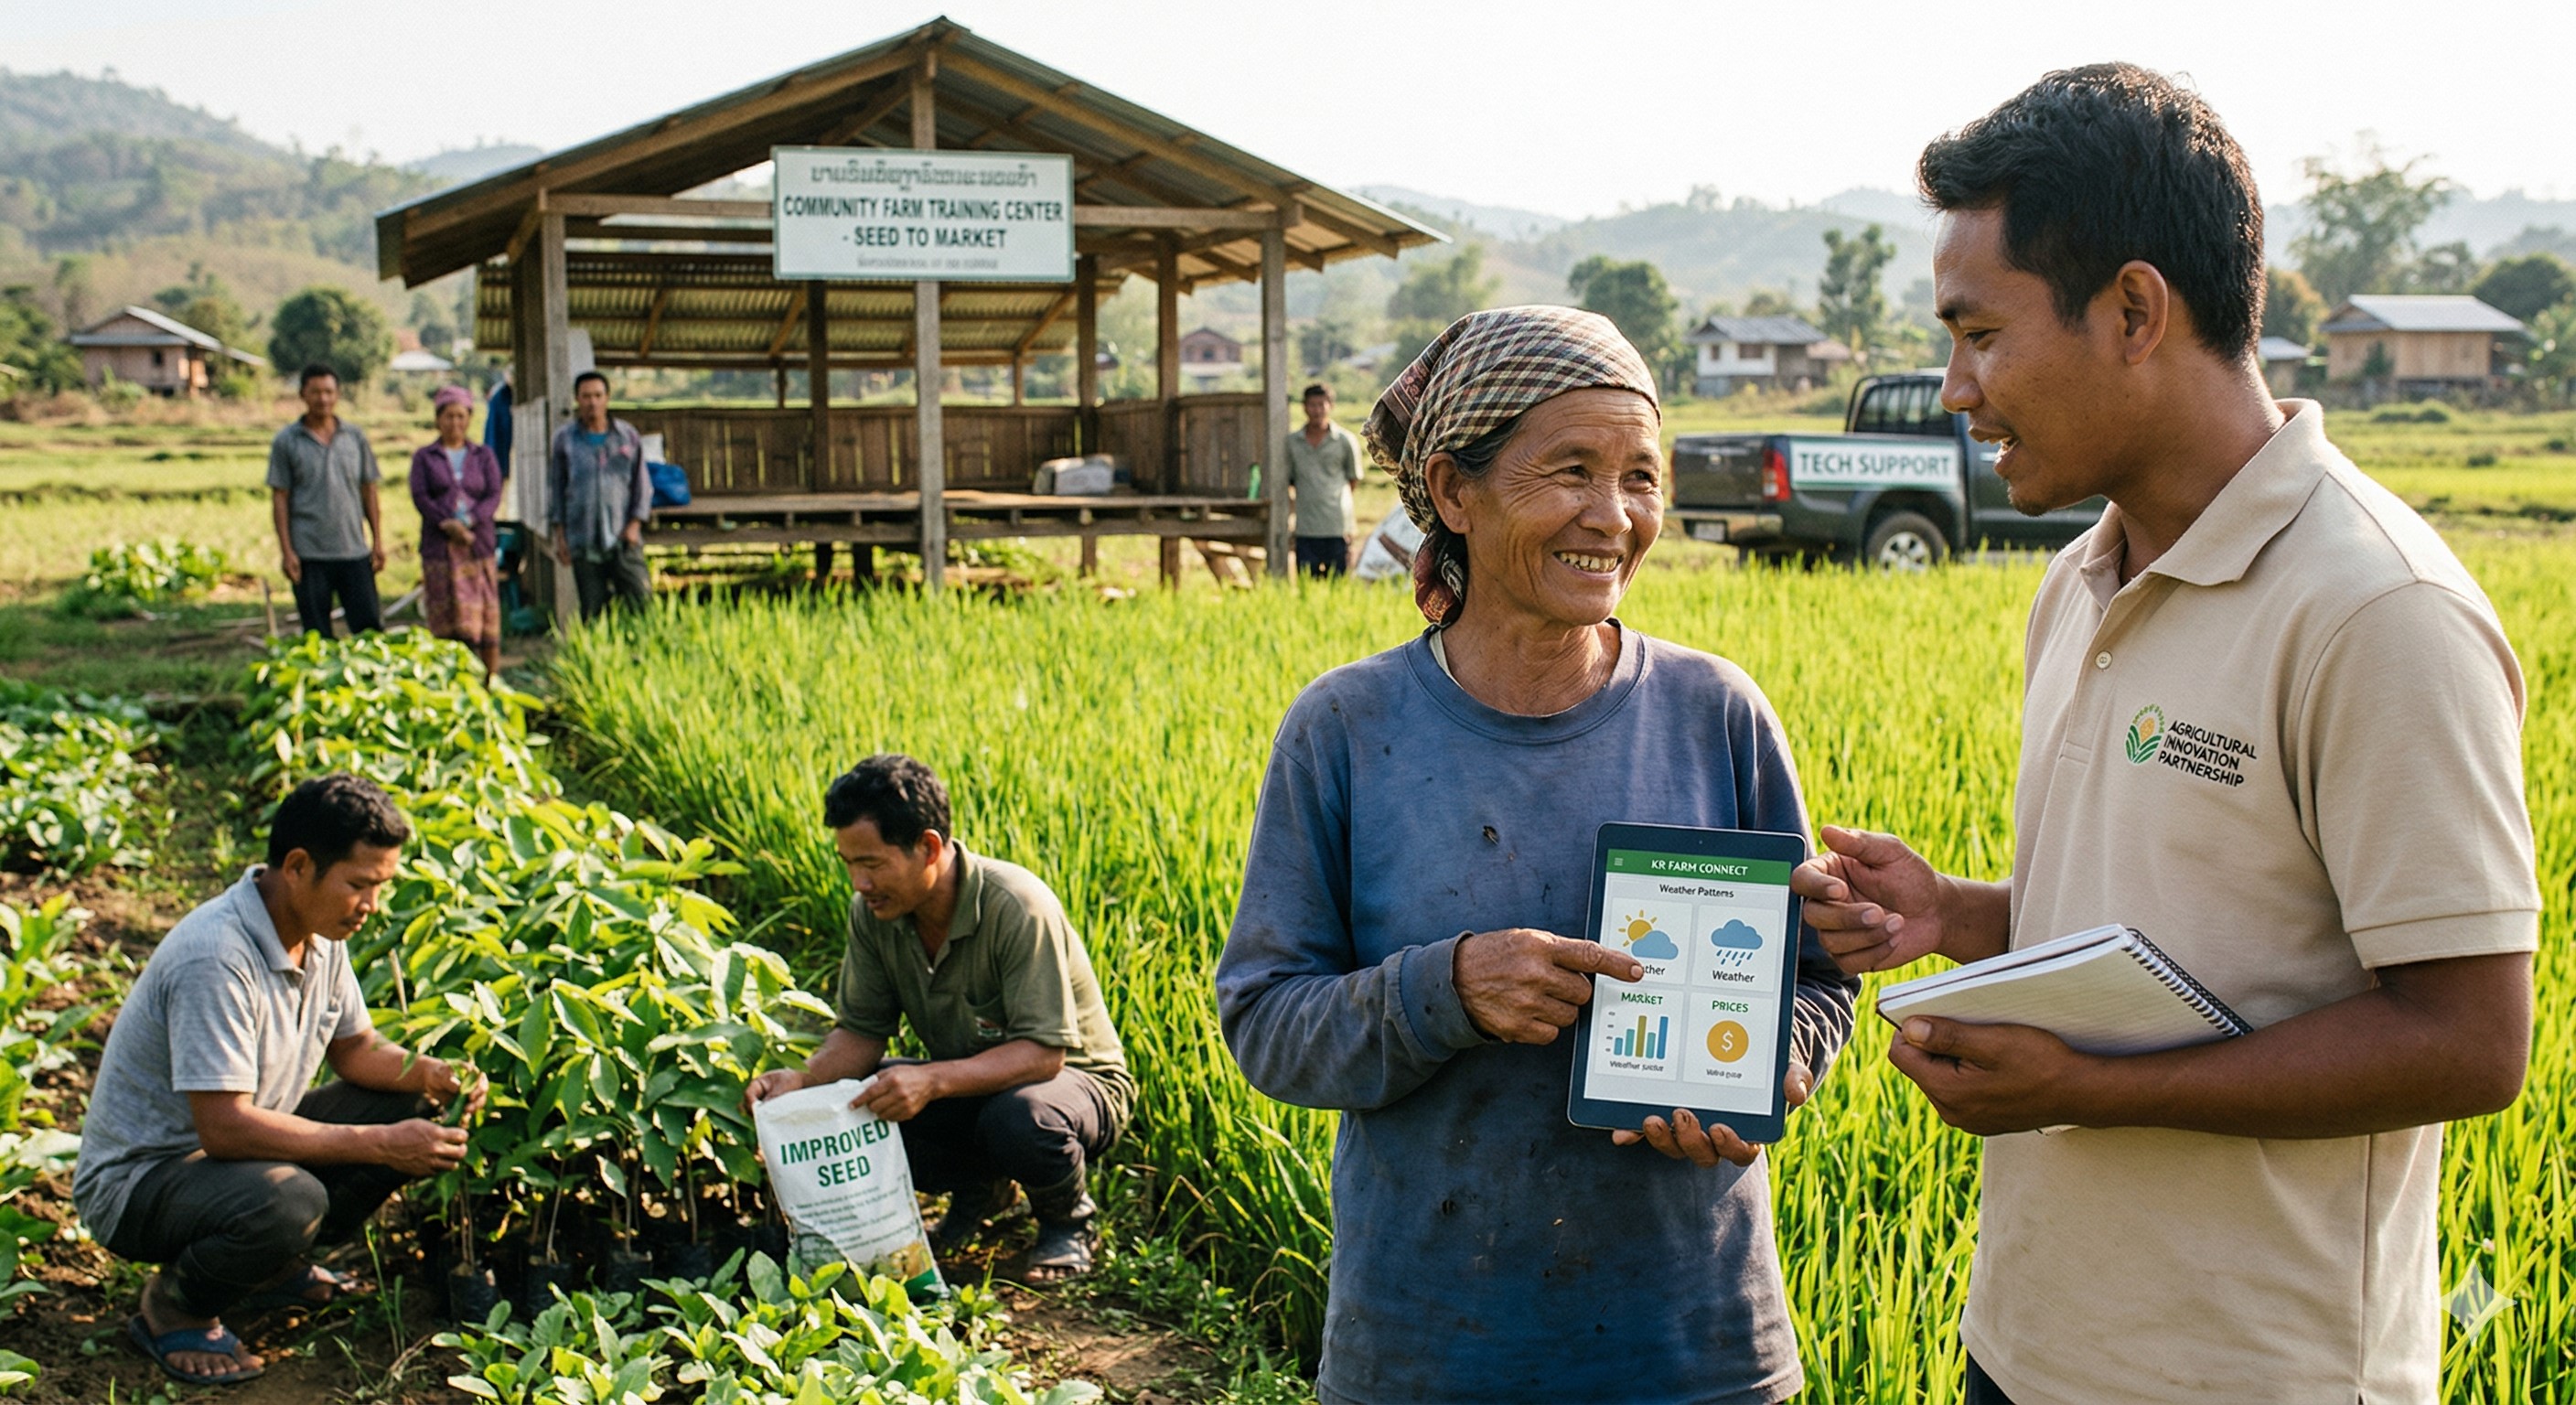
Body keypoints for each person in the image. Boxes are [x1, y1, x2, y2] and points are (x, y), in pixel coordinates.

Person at [1789, 66, 2538, 1405]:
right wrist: (1953, 915)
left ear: (2134, 309)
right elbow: (2168, 932)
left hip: (2257, 1373)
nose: (1957, 388)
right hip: (2029, 1344)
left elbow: (2470, 1041)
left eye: (1979, 333)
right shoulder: (2081, 578)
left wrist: (2086, 1085)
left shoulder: (2377, 611)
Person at [1216, 306, 1858, 1404]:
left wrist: (1767, 1069)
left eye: (1640, 478)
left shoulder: (1715, 713)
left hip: (1692, 1347)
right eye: (1569, 470)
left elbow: (1815, 977)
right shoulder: (1345, 730)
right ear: (1454, 491)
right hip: (1428, 1349)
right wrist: (1447, 988)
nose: (1611, 517)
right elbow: (1266, 1024)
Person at [73, 775, 482, 1387]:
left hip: (222, 1162)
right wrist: (382, 1145)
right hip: (142, 1182)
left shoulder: (319, 932)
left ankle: (265, 1268)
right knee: (291, 1199)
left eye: (381, 887)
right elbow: (226, 1131)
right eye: (359, 885)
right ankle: (177, 1304)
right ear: (297, 866)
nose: (371, 905)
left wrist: (434, 1075)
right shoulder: (216, 956)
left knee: (407, 1100)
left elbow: (356, 1050)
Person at [746, 755, 1132, 1283]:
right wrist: (806, 1083)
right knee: (859, 1100)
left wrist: (931, 1079)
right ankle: (983, 1188)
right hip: (969, 1081)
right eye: (849, 864)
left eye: (873, 864)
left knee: (1019, 1120)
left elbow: (1045, 1055)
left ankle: (1069, 1221)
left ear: (927, 847)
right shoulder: (876, 913)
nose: (859, 882)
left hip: (1072, 1085)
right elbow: (860, 1033)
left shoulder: (1016, 905)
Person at [267, 364, 385, 636]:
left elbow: (369, 490)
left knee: (369, 630)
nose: (323, 399)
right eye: (316, 392)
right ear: (302, 395)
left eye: (329, 392)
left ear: (338, 395)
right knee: (317, 634)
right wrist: (287, 552)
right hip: (309, 554)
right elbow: (280, 498)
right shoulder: (287, 441)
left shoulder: (354, 437)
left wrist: (377, 541)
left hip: (353, 550)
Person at [408, 385, 506, 678]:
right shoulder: (425, 457)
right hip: (440, 548)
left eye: (461, 416)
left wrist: (471, 522)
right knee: (446, 619)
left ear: (469, 419)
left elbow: (493, 494)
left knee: (485, 618)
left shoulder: (483, 456)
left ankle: (489, 681)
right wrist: (448, 525)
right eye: (449, 416)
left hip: (477, 545)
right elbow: (421, 496)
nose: (455, 423)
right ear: (438, 419)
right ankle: (449, 682)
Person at [547, 370, 652, 619]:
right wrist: (560, 536)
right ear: (577, 399)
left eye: (597, 395)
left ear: (607, 398)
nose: (592, 402)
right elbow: (557, 489)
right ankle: (600, 656)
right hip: (582, 536)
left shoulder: (627, 436)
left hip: (622, 535)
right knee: (592, 609)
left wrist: (635, 524)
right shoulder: (565, 440)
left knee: (640, 600)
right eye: (586, 396)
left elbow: (642, 484)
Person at [1283, 382, 1365, 578]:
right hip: (1306, 528)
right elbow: (1289, 480)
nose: (1317, 410)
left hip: (1337, 526)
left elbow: (1353, 479)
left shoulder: (1345, 441)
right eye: (1312, 405)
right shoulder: (1292, 443)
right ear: (1304, 407)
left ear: (1331, 406)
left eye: (1322, 404)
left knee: (1337, 586)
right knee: (1307, 584)